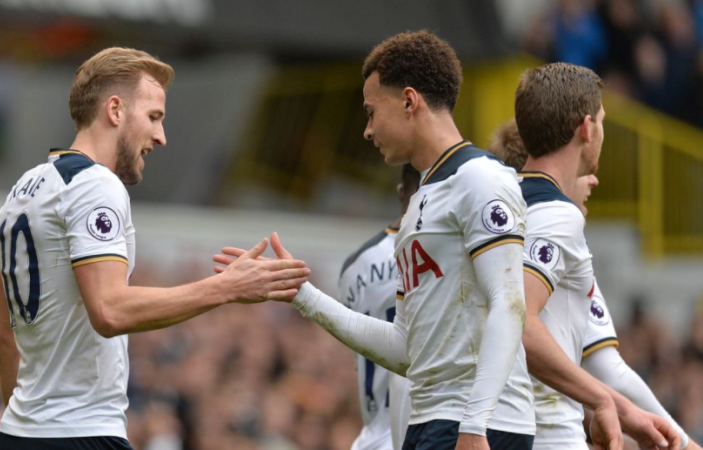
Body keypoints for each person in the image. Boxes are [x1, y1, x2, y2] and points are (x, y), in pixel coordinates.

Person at [217, 30, 536, 449]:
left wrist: (476, 424)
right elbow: (405, 349)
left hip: (479, 426)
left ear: (409, 101)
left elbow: (509, 305)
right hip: (430, 420)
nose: (367, 131)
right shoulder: (417, 207)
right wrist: (302, 295)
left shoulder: (480, 178)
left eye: (371, 112)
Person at [0, 47, 311, 450]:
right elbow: (109, 310)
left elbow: (5, 338)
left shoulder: (22, 190)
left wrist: (28, 428)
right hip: (80, 433)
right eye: (154, 117)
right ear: (115, 110)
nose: (161, 137)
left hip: (19, 433)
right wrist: (227, 287)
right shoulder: (96, 185)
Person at [488, 119, 700, 450]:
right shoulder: (560, 229)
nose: (592, 179)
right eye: (582, 169)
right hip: (545, 436)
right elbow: (609, 370)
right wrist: (684, 444)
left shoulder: (487, 237)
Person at [513, 62, 679, 449]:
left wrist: (621, 410)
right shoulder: (558, 215)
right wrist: (604, 400)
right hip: (549, 435)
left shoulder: (496, 206)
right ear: (587, 128)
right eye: (602, 121)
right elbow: (518, 320)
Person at [338, 164, 418, 450]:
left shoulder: (354, 265)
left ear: (400, 191)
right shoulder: (449, 256)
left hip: (372, 437)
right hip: (424, 432)